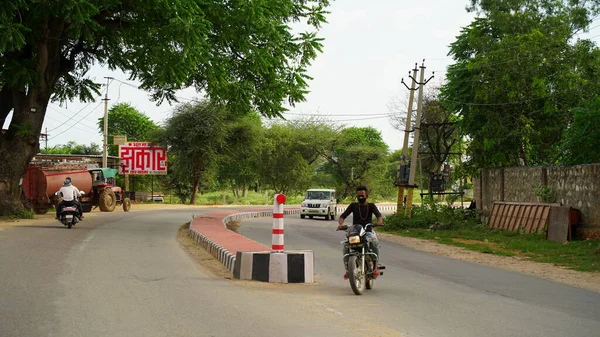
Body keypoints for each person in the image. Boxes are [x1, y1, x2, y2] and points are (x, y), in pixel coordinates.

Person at [337, 185, 383, 279]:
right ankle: (348, 270)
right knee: (346, 245)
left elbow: (378, 215)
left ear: (367, 196)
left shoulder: (371, 206)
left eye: (362, 195)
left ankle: (375, 266)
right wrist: (340, 224)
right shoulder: (353, 206)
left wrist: (379, 222)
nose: (360, 198)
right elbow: (343, 216)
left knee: (374, 242)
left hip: (367, 232)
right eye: (358, 196)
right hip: (355, 232)